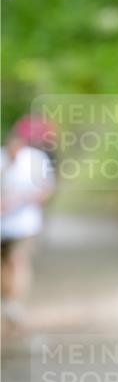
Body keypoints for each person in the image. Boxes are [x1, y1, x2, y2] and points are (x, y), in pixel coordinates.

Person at [1, 120, 56, 328]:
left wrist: (25, 198)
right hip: (3, 224)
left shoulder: (36, 160)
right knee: (4, 264)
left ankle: (15, 303)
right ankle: (7, 300)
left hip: (25, 224)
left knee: (17, 260)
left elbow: (46, 189)